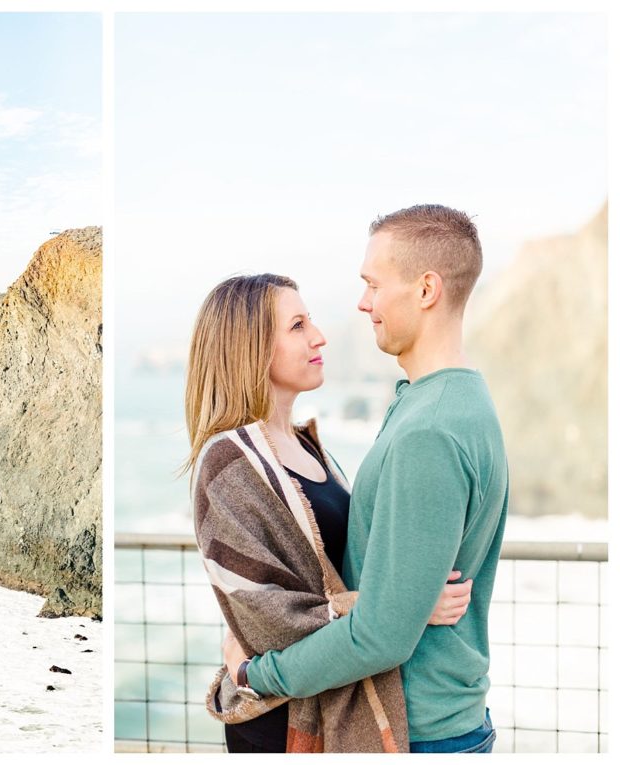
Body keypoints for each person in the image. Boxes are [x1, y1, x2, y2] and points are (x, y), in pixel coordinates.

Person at [221, 204, 509, 754]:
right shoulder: (455, 402)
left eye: (372, 284)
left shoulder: (429, 431)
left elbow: (381, 636)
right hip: (439, 718)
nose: (362, 302)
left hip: (418, 731)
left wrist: (255, 677)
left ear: (426, 290)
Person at [188, 272, 473, 753]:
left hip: (327, 698)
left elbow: (342, 570)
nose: (318, 336)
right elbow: (265, 620)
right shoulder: (226, 462)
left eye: (310, 321)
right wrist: (407, 608)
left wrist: (399, 601)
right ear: (251, 348)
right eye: (297, 326)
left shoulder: (307, 446)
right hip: (278, 724)